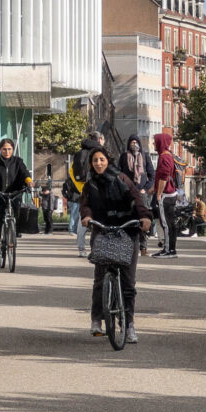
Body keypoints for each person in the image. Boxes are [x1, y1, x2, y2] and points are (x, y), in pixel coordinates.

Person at [80, 145, 152, 343]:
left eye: (102, 159)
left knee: (128, 282)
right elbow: (85, 205)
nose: (98, 163)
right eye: (95, 161)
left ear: (108, 161)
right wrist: (86, 217)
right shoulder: (90, 184)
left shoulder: (122, 178)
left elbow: (137, 198)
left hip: (127, 231)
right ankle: (96, 320)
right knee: (100, 279)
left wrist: (144, 217)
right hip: (102, 231)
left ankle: (128, 324)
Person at [0, 138, 33, 263]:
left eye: (9, 149)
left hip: (14, 195)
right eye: (4, 149)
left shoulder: (18, 162)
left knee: (16, 218)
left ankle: (12, 236)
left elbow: (25, 173)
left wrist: (29, 182)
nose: (7, 151)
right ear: (0, 149)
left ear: (13, 149)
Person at [118, 134, 155, 256]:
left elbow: (151, 175)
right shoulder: (123, 157)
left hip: (141, 193)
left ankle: (143, 247)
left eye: (136, 142)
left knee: (143, 219)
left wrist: (145, 188)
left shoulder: (145, 157)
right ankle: (127, 246)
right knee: (127, 219)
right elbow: (119, 173)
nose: (133, 144)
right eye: (131, 142)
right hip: (127, 193)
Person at [69, 131, 104, 257]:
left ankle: (81, 249)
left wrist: (81, 188)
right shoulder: (100, 152)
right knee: (100, 219)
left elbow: (71, 171)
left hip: (84, 190)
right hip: (98, 190)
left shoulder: (80, 153)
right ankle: (97, 248)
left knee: (83, 219)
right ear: (100, 139)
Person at [152, 133, 178, 258]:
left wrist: (158, 193)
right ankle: (171, 249)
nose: (154, 144)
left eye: (155, 141)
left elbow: (163, 177)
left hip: (166, 195)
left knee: (166, 224)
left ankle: (168, 250)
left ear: (160, 142)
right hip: (170, 193)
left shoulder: (164, 157)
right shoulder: (169, 155)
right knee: (171, 223)